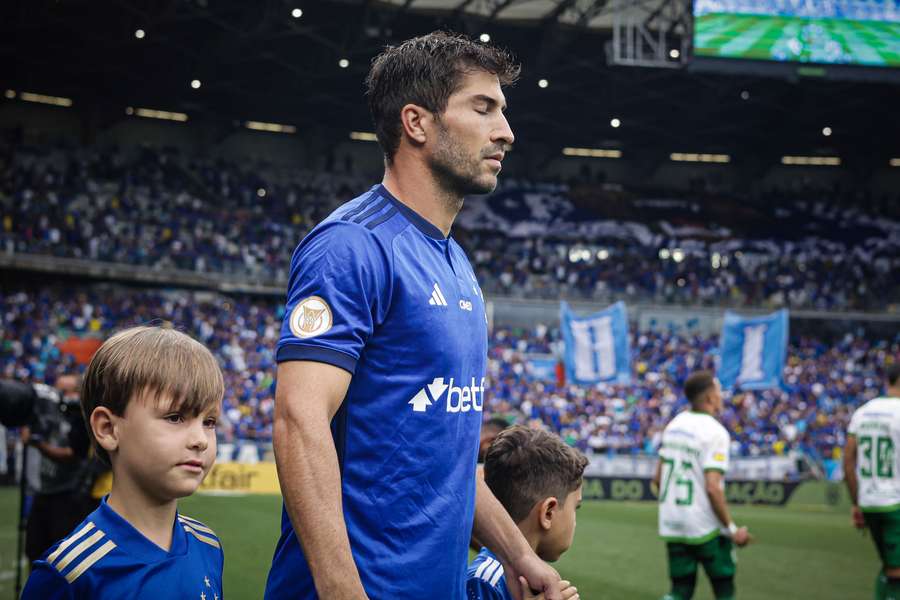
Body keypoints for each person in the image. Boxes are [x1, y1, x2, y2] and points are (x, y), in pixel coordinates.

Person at [266, 31, 563, 599]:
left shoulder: (458, 266)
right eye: (483, 108)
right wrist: (340, 590)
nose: (506, 131)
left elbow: (451, 459)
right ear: (417, 122)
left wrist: (520, 556)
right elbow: (297, 421)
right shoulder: (351, 246)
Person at [22, 326, 225, 599]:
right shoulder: (69, 575)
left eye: (209, 422)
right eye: (175, 417)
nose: (200, 439)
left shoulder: (208, 545)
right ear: (107, 428)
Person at [653, 371, 751, 600]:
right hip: (705, 526)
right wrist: (733, 529)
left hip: (672, 523)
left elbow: (657, 479)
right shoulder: (715, 432)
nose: (721, 396)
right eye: (718, 391)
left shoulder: (674, 425)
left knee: (680, 591)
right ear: (709, 397)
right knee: (724, 588)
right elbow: (713, 488)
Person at [467, 425, 585, 600]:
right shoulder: (485, 581)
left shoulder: (531, 577)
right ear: (548, 513)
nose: (574, 522)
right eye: (575, 508)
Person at [23, 374, 97, 566]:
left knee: (63, 555)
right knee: (34, 549)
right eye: (58, 390)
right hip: (44, 491)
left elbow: (72, 454)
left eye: (67, 391)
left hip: (68, 494)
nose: (60, 396)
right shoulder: (45, 413)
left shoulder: (81, 418)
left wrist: (39, 446)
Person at [845, 362, 900, 600]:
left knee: (889, 566)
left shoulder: (862, 412)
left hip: (869, 502)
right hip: (894, 503)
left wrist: (857, 503)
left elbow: (847, 461)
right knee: (896, 572)